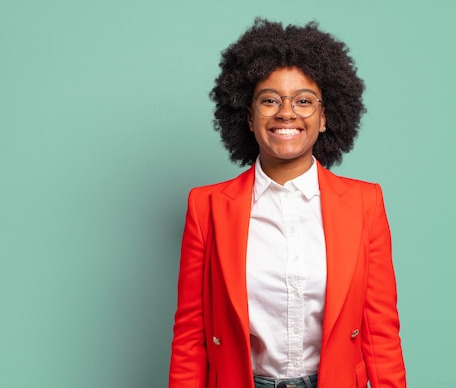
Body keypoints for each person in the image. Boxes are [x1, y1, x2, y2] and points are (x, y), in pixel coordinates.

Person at [169, 18, 406, 388]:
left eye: (304, 101)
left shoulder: (365, 203)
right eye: (269, 100)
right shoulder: (207, 207)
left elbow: (381, 333)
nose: (286, 112)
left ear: (325, 117)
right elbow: (190, 335)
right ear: (248, 117)